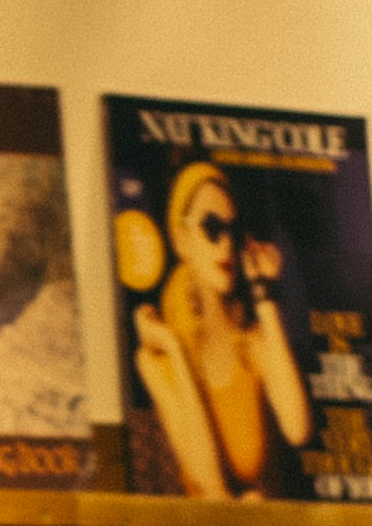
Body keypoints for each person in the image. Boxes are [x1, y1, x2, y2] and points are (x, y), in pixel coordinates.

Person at [127, 160, 312, 498]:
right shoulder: (156, 358)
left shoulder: (255, 341)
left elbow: (298, 429)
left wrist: (265, 295)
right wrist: (175, 347)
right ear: (181, 241)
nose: (225, 244)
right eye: (212, 227)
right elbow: (210, 483)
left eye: (233, 228)